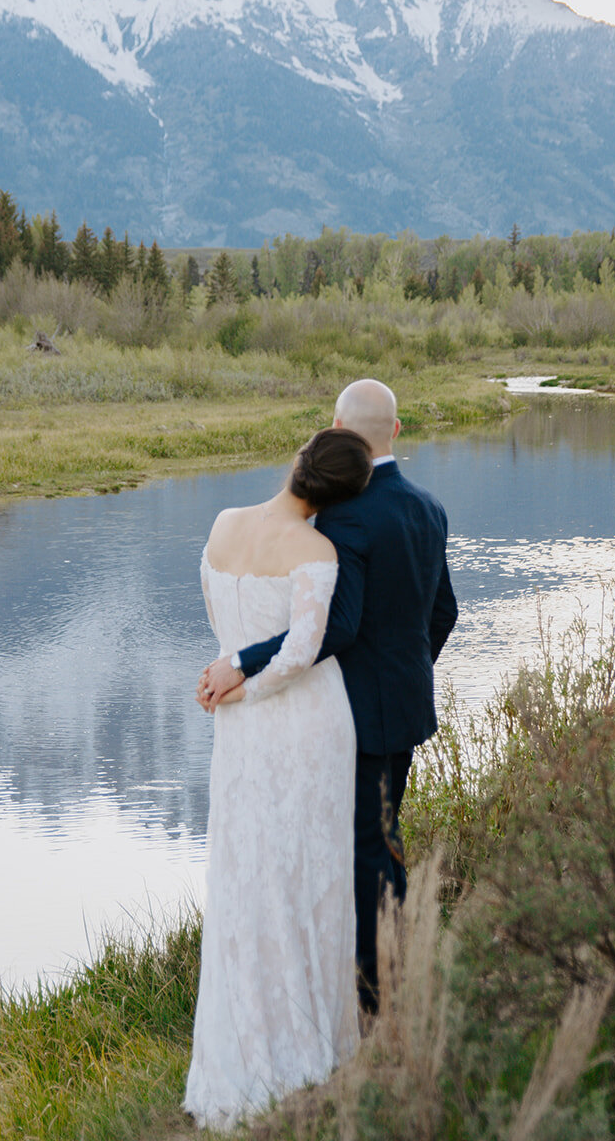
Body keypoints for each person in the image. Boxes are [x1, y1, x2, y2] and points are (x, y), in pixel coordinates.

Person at [200, 378, 458, 1014]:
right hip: (405, 704)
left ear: (337, 428)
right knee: (385, 838)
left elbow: (333, 629)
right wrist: (409, 670)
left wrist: (241, 660)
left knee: (363, 849)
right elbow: (444, 612)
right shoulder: (429, 508)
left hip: (353, 714)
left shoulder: (339, 519)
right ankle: (392, 969)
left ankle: (377, 996)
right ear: (394, 431)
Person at [184, 427, 374, 1131]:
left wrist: (227, 678)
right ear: (341, 495)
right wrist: (249, 687)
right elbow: (300, 653)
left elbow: (216, 617)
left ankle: (242, 1042)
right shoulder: (318, 551)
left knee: (243, 873)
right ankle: (308, 1044)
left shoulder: (222, 524)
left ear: (298, 459)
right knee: (307, 872)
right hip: (302, 727)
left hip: (235, 732)